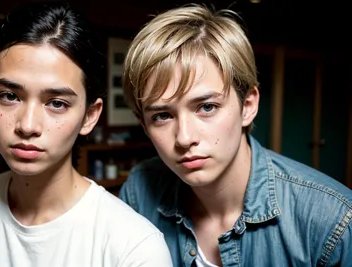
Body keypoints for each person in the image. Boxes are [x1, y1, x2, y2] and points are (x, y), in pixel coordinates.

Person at [0, 2, 172, 266]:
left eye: (57, 103)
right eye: (10, 96)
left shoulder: (134, 246)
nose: (27, 125)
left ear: (89, 116)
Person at [119, 4, 352, 267]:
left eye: (207, 107)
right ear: (143, 123)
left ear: (248, 105)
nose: (184, 138)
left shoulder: (332, 220)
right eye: (162, 116)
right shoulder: (139, 191)